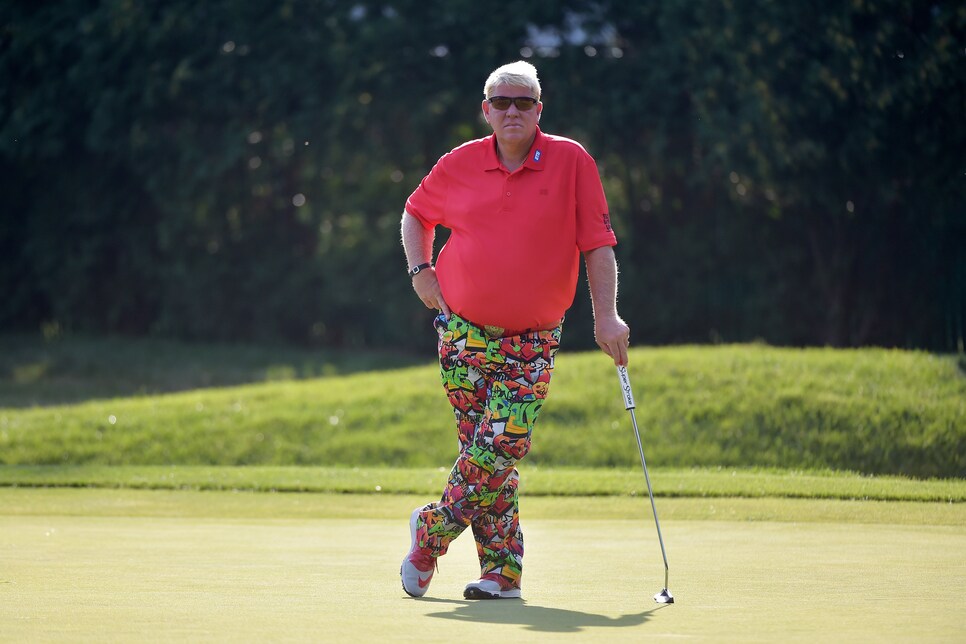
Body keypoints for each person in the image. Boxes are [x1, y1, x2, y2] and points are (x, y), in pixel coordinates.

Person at [399, 60, 630, 600]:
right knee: (485, 451)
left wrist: (606, 315)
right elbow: (415, 214)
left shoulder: (572, 161)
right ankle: (502, 573)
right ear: (485, 110)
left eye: (523, 102)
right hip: (461, 330)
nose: (511, 111)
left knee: (504, 439)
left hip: (533, 337)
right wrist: (420, 270)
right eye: (500, 101)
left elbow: (597, 244)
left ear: (538, 111)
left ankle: (430, 535)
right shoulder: (460, 162)